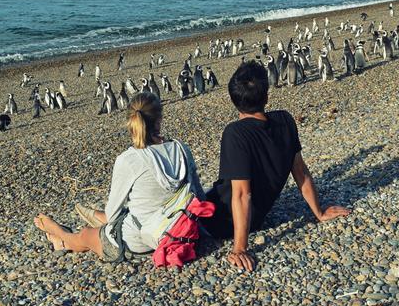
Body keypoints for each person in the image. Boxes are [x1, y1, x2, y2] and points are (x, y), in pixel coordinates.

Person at [203, 61, 350, 271]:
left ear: (234, 99)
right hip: (256, 218)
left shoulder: (235, 133)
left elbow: (242, 194)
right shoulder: (285, 120)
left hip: (219, 219)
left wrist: (240, 248)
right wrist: (319, 212)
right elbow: (301, 172)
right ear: (266, 96)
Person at [35, 93, 202, 261]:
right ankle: (97, 219)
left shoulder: (129, 159)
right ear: (159, 120)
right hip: (183, 230)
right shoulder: (181, 150)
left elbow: (113, 215)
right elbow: (198, 195)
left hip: (140, 242)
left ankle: (59, 236)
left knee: (86, 235)